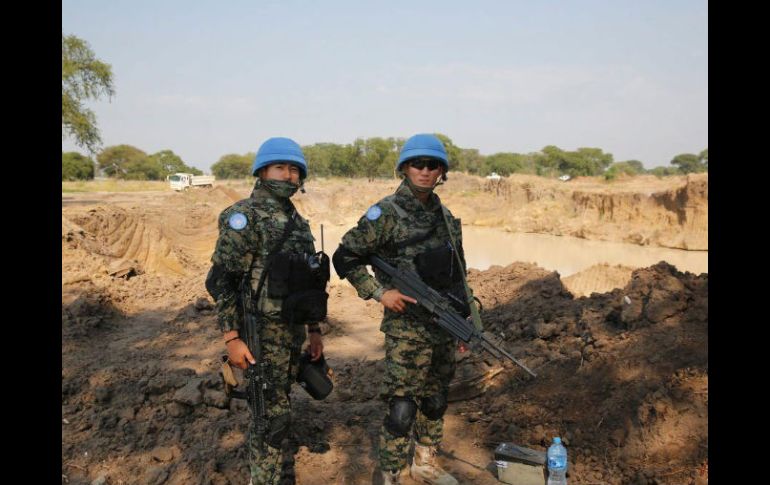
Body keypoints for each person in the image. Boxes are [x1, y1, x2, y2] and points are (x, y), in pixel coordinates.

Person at [333, 134, 473, 485]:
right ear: (405, 169)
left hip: (443, 323)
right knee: (402, 408)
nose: (425, 171)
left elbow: (459, 273)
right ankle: (392, 471)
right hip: (406, 328)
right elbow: (345, 257)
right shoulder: (385, 214)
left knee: (436, 399)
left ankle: (424, 462)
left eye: (433, 165)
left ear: (442, 171)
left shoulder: (445, 216)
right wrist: (379, 293)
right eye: (418, 164)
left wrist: (464, 324)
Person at [205, 137, 327, 485]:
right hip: (258, 336)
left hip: (291, 333)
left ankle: (273, 468)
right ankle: (264, 478)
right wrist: (232, 338)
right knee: (267, 417)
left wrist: (314, 331)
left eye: (294, 170)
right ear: (261, 171)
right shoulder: (243, 217)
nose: (288, 176)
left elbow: (308, 285)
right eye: (280, 168)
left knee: (280, 406)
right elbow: (221, 282)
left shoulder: (298, 222)